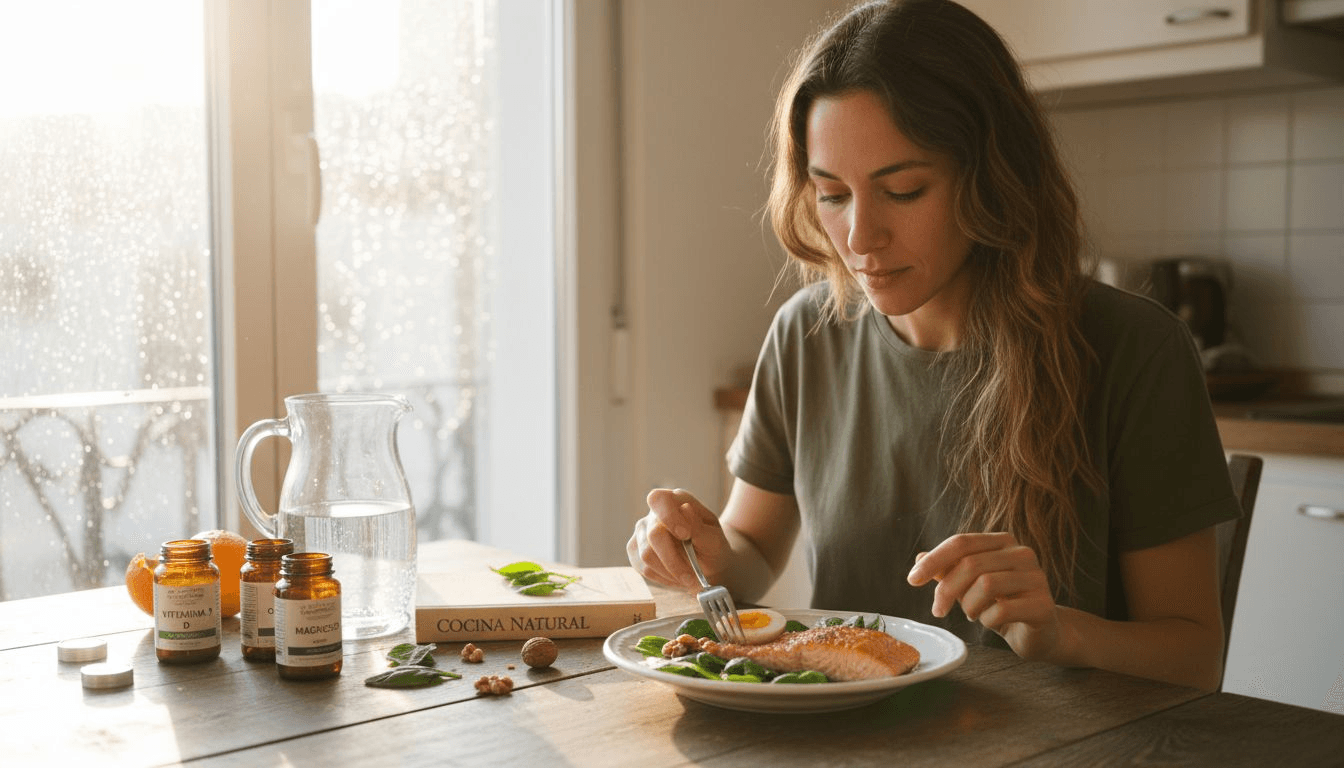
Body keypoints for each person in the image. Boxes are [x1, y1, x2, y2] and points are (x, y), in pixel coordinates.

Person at [625, 0, 1241, 691]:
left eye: (904, 190)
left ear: (993, 178)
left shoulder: (1135, 349)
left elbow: (1195, 658)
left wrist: (1061, 631)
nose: (859, 238)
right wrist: (700, 555)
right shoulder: (806, 335)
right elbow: (750, 554)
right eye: (831, 195)